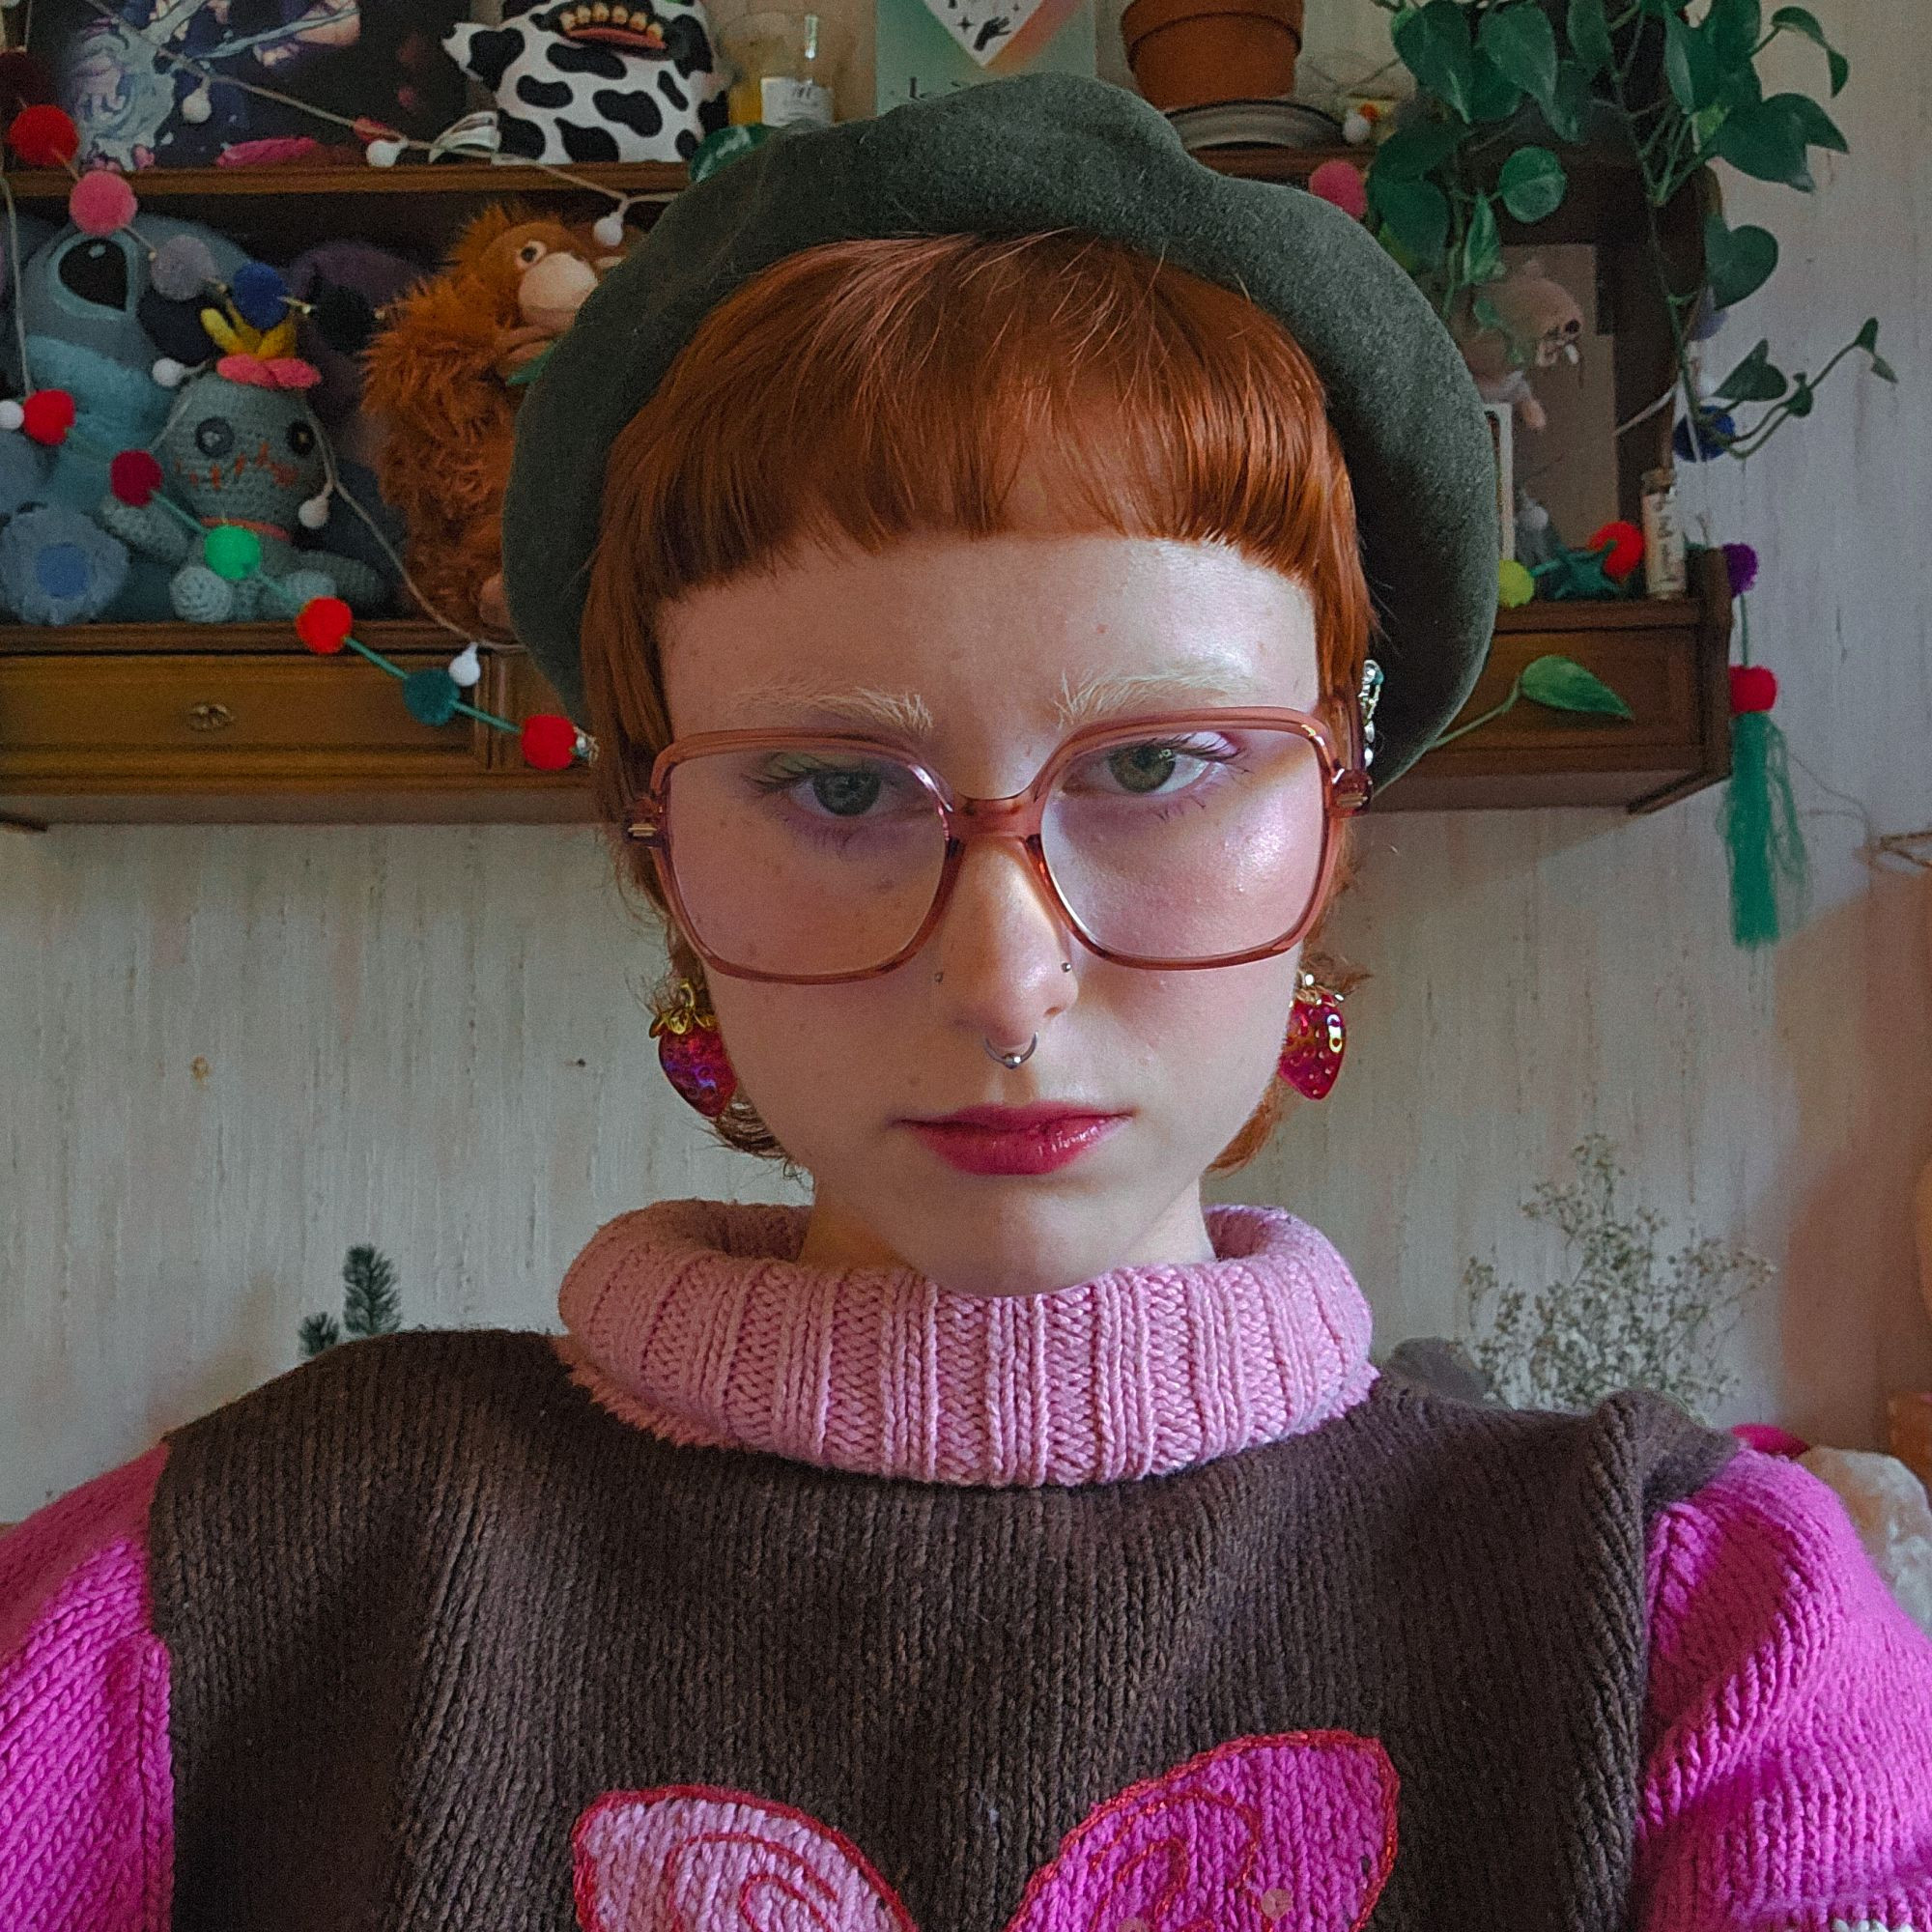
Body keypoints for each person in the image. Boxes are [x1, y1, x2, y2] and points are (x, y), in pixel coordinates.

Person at [5, 73, 1931, 1932]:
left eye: (1160, 766)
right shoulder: (215, 1598)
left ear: (1334, 819)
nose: (1004, 975)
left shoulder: (1699, 1632)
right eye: (838, 789)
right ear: (656, 838)